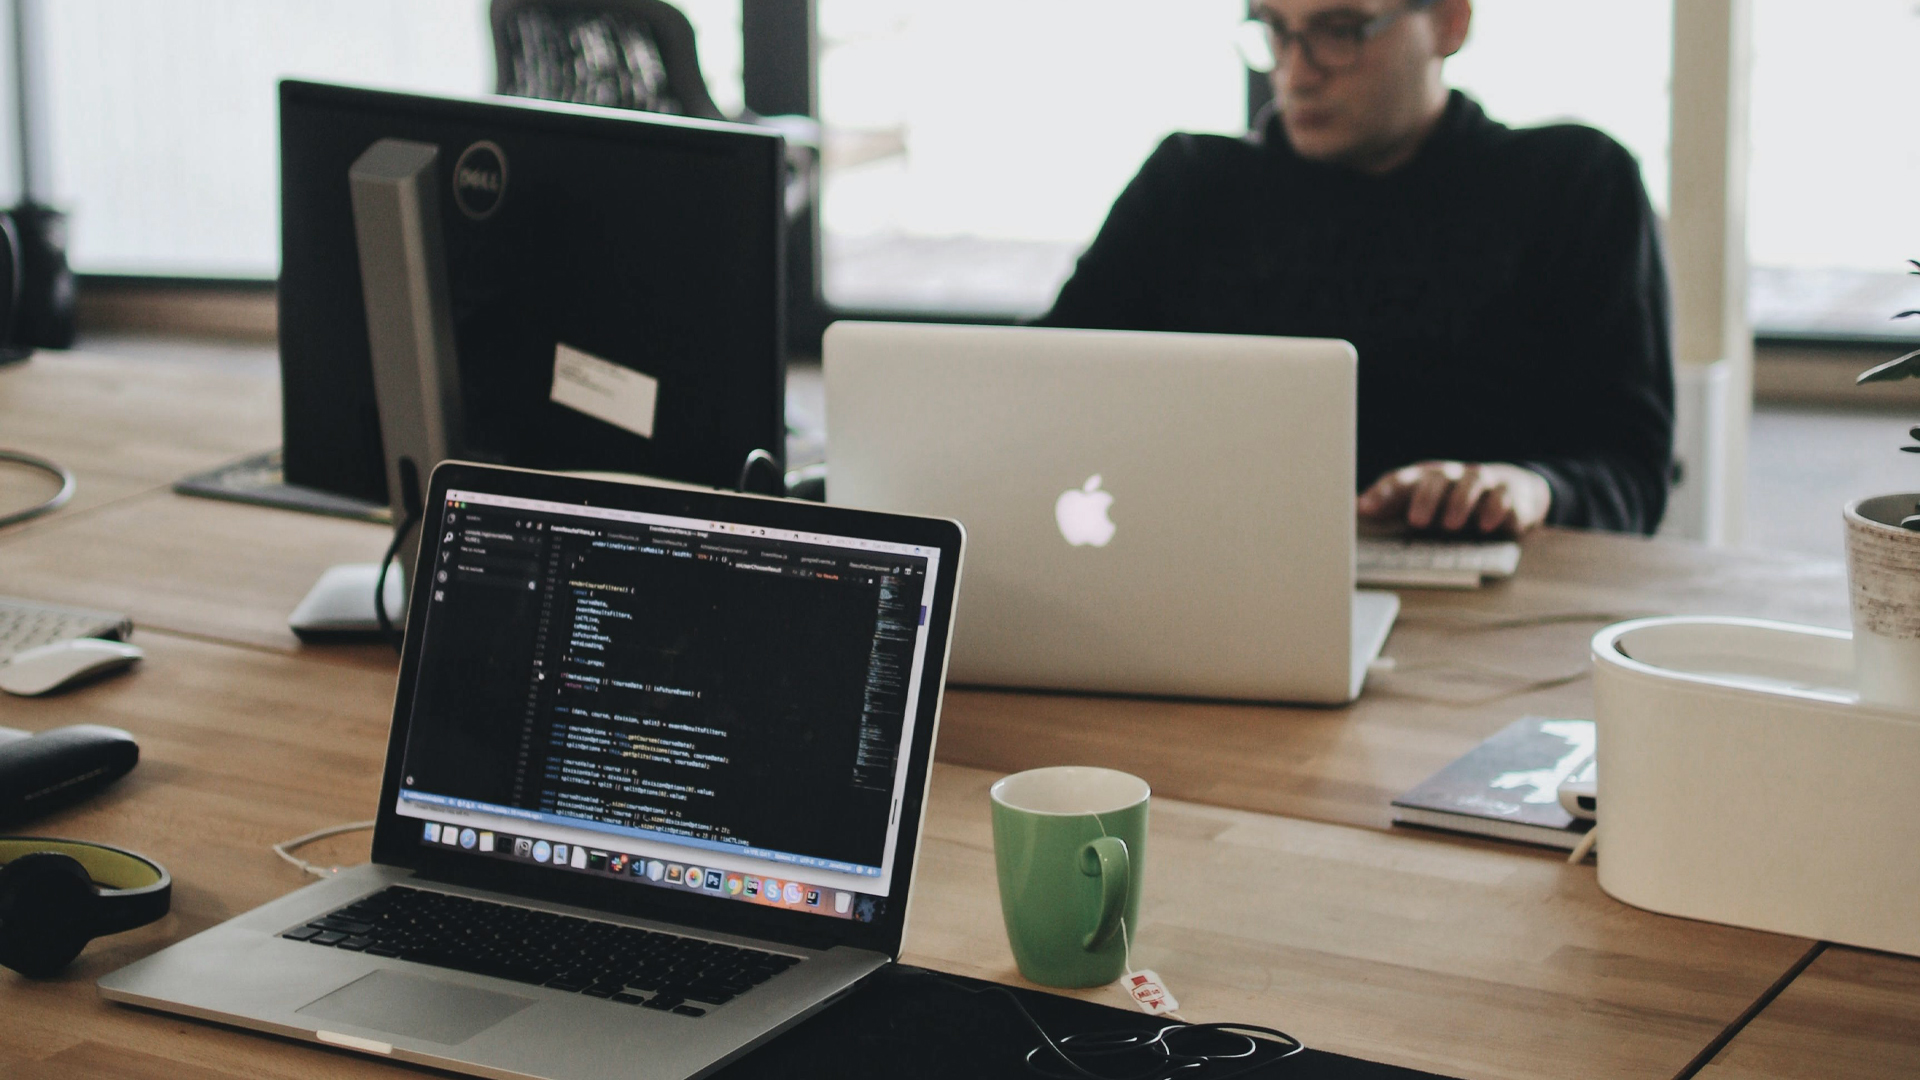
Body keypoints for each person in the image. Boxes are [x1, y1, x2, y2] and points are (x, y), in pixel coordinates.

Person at [1037, 0, 1673, 536]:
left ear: (1450, 22)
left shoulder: (1574, 185)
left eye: (1339, 31)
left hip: (1484, 614)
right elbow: (1040, 388)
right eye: (1276, 31)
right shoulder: (1188, 186)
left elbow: (1631, 471)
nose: (1296, 72)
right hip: (1211, 584)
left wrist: (1532, 489)